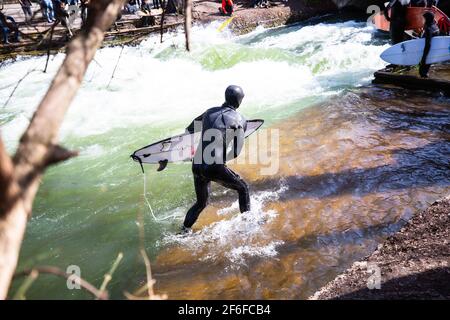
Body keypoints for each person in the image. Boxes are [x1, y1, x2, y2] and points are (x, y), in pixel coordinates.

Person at [182, 85, 251, 232]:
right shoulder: (240, 120)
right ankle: (248, 227)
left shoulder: (210, 112)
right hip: (213, 165)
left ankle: (184, 230)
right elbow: (235, 152)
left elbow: (189, 129)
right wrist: (220, 161)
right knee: (243, 188)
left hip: (197, 163)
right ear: (239, 101)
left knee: (201, 203)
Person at [419, 11, 439, 78]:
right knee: (426, 69)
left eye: (424, 19)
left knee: (422, 71)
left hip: (427, 52)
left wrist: (424, 57)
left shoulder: (429, 29)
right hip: (433, 52)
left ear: (427, 19)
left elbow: (428, 44)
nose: (423, 20)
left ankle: (424, 85)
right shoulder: (435, 26)